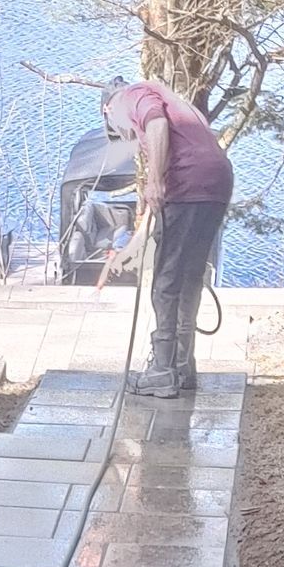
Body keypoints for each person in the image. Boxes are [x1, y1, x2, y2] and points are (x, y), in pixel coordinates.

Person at [100, 76, 233, 396]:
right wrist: (128, 252)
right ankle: (183, 366)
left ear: (108, 111)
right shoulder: (173, 100)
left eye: (117, 132)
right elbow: (157, 213)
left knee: (166, 282)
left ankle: (162, 371)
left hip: (188, 181)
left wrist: (155, 180)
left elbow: (156, 122)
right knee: (189, 277)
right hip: (217, 181)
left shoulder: (130, 97)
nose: (126, 137)